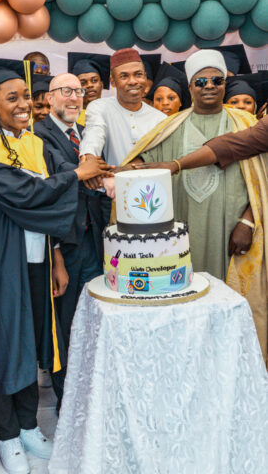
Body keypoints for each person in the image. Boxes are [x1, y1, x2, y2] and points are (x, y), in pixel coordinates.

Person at [0, 57, 111, 474]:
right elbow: (26, 195)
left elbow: (57, 189)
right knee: (8, 345)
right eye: (12, 98)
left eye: (26, 96)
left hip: (39, 260)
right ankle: (5, 434)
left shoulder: (33, 144)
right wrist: (78, 175)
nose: (24, 104)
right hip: (3, 261)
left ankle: (27, 424)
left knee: (32, 341)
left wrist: (57, 257)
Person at [117, 49, 267, 361]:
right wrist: (124, 170)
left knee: (228, 310)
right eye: (201, 81)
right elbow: (146, 159)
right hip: (181, 239)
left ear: (225, 84)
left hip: (232, 234)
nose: (209, 86)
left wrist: (248, 221)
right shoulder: (170, 126)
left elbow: (263, 178)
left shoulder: (245, 123)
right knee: (186, 310)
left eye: (216, 80)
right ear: (190, 86)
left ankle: (230, 364)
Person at [34, 73, 111, 405]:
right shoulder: (38, 135)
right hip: (63, 246)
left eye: (79, 92)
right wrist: (90, 173)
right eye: (66, 91)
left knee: (93, 317)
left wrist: (96, 172)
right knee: (64, 324)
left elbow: (96, 172)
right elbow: (59, 176)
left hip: (95, 240)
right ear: (49, 97)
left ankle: (94, 392)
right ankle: (68, 400)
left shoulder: (88, 135)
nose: (74, 97)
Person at [80, 48, 166, 168]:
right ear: (113, 82)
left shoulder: (160, 119)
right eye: (124, 76)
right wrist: (89, 158)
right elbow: (94, 133)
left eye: (138, 74)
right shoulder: (100, 107)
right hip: (112, 179)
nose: (133, 81)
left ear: (145, 77)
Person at [67, 52, 110, 126]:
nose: (89, 85)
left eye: (94, 80)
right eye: (83, 83)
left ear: (101, 85)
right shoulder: (69, 120)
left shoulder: (112, 115)